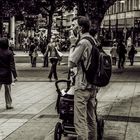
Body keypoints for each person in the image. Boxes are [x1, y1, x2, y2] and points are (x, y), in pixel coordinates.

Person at [68, 16, 97, 140]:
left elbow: (71, 63)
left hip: (82, 85)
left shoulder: (82, 42)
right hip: (92, 86)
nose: (71, 28)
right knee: (91, 120)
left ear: (80, 28)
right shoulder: (92, 40)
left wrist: (72, 45)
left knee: (80, 122)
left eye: (73, 25)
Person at [0, 38, 17, 109]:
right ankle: (8, 104)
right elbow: (12, 65)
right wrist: (15, 75)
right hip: (7, 73)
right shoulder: (9, 53)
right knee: (8, 90)